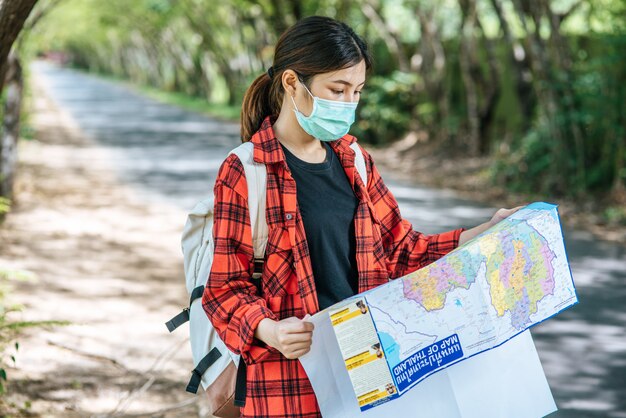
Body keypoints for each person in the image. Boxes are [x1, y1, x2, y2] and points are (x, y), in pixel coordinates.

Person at [202, 15, 521, 418]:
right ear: (290, 83)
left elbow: (402, 250)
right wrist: (271, 331)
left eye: (357, 91)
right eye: (337, 89)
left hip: (368, 370)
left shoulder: (355, 160)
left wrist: (482, 233)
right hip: (289, 381)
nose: (349, 103)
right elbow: (224, 289)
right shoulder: (246, 170)